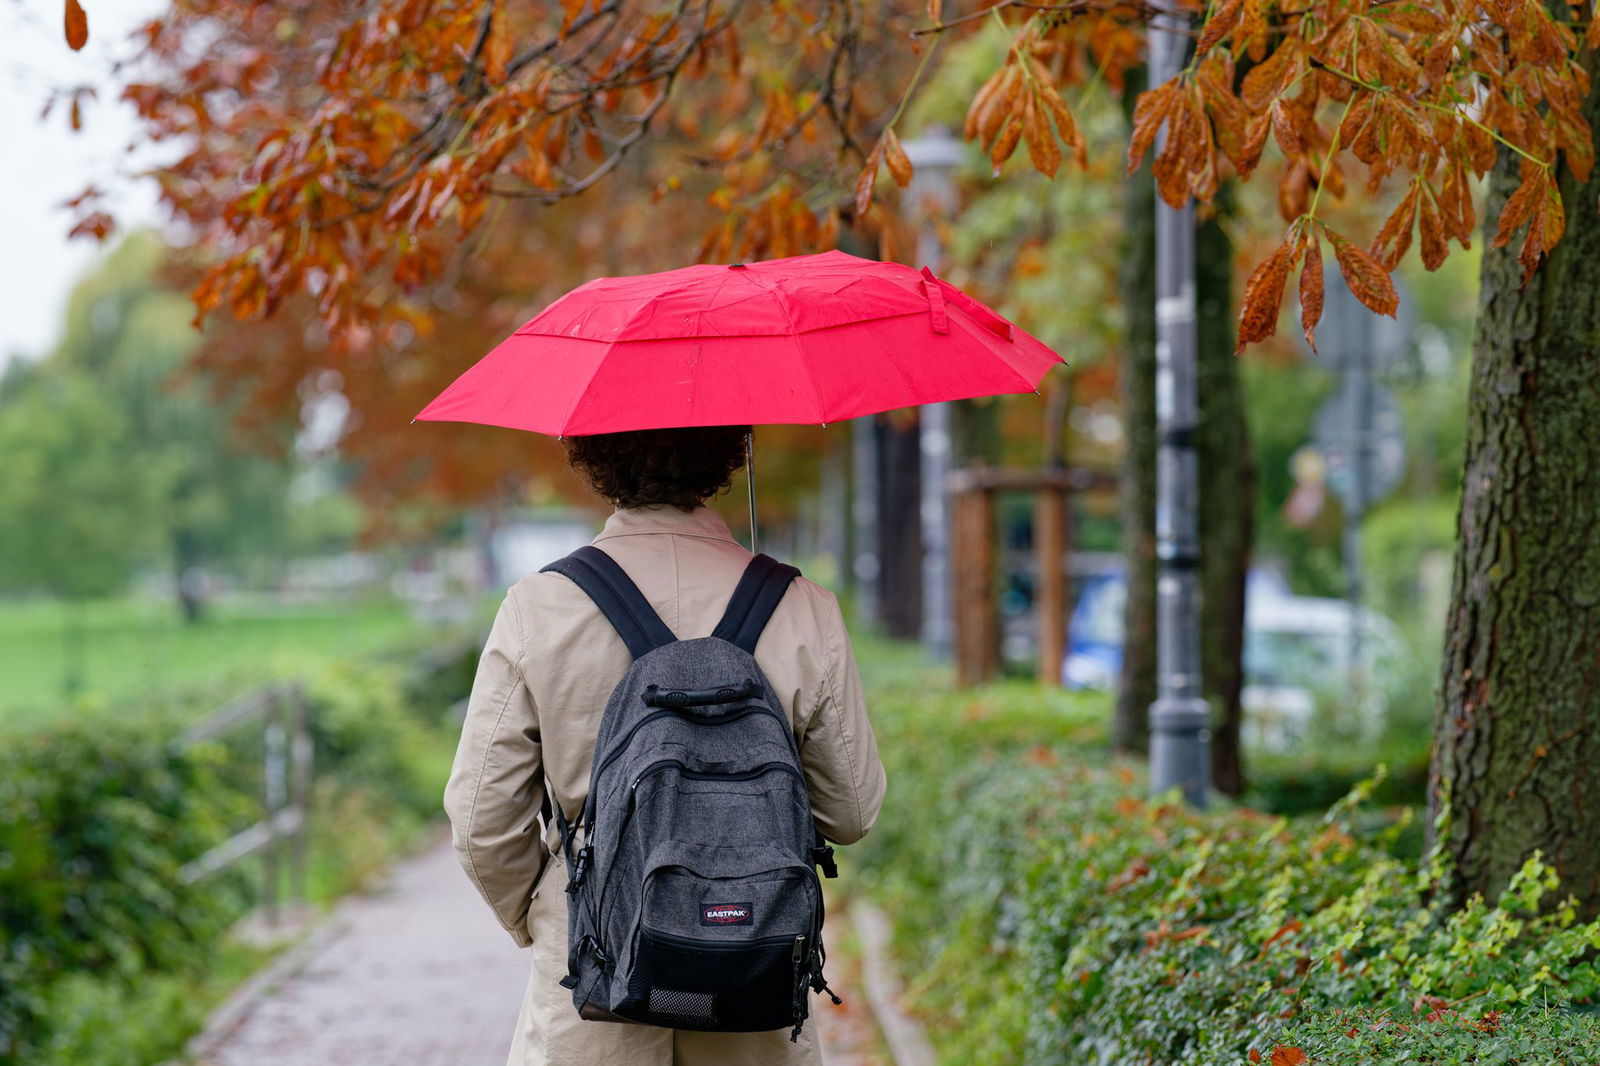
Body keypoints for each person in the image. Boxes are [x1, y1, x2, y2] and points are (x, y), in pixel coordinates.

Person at [444, 424, 887, 1066]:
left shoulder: (538, 607)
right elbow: (850, 811)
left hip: (591, 987)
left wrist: (552, 916)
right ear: (729, 452)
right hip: (751, 974)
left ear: (594, 456)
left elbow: (479, 821)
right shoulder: (801, 605)